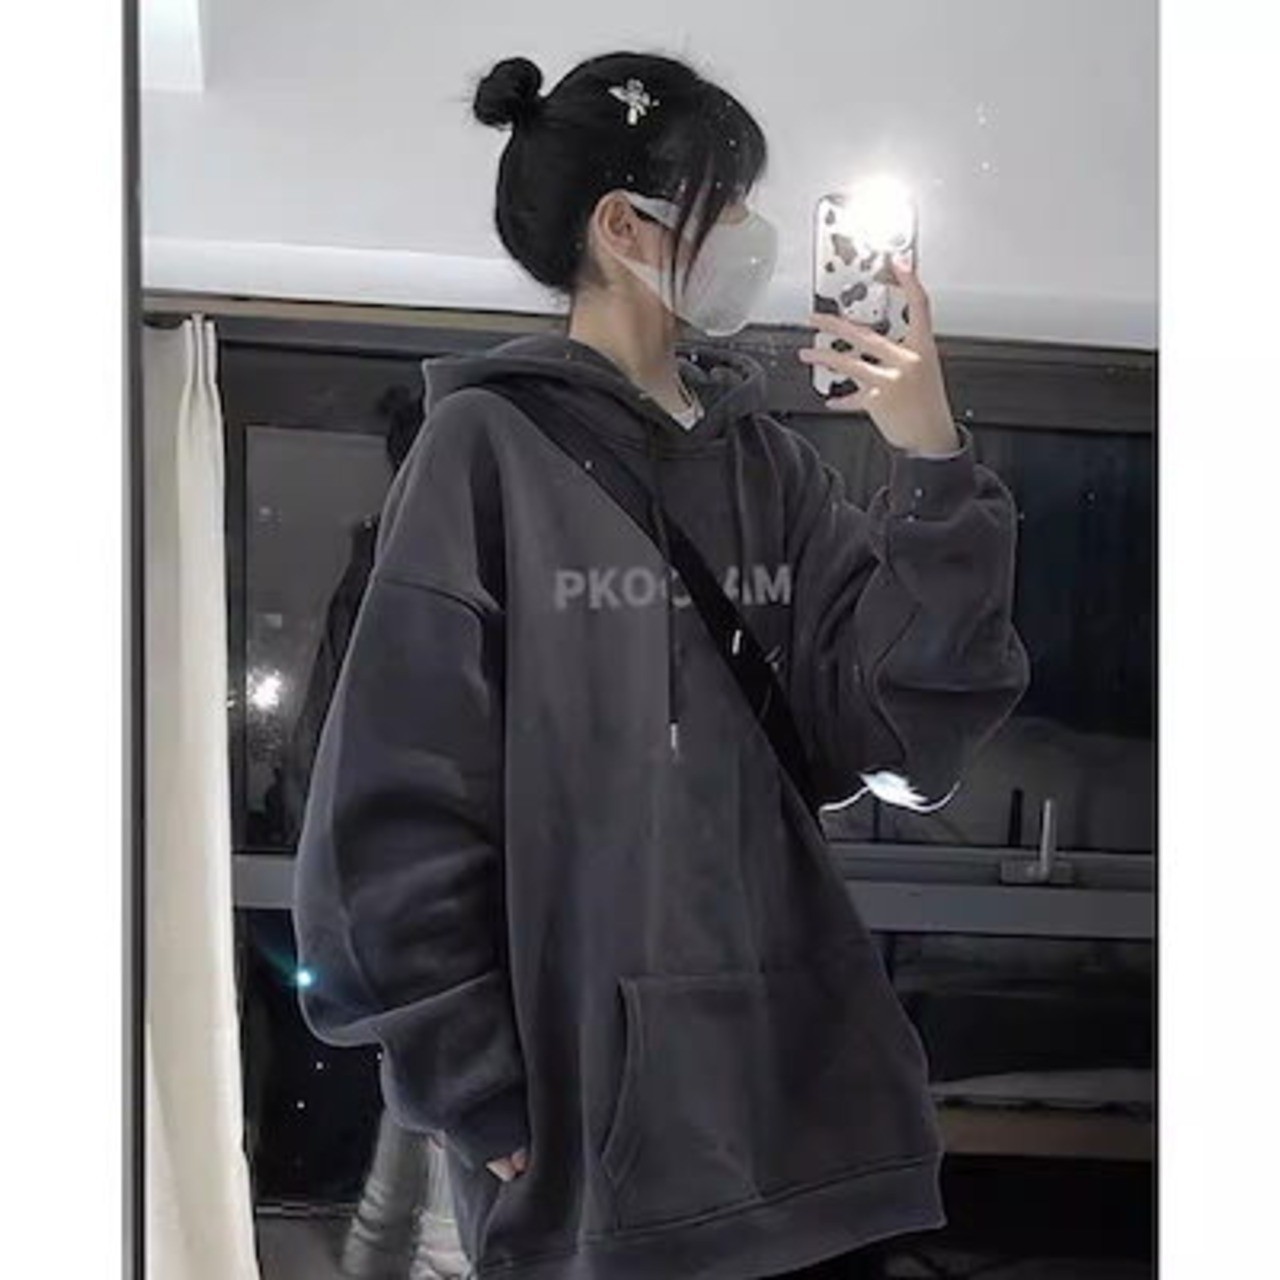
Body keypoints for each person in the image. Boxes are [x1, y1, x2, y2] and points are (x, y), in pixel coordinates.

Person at [292, 49, 1029, 1280]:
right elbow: (395, 795)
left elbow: (905, 739)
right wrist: (470, 1082)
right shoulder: (484, 449)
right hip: (598, 1145)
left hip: (806, 1122)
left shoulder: (771, 469)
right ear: (622, 225)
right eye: (724, 203)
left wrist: (931, 461)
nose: (749, 234)